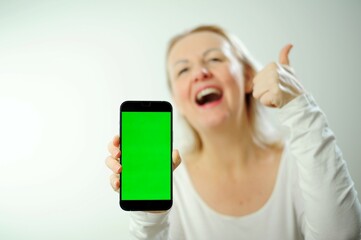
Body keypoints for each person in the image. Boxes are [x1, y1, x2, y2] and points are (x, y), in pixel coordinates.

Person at [105, 25, 361, 239]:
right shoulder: (171, 182)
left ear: (249, 74)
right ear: (176, 98)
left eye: (215, 59)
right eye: (183, 70)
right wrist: (148, 215)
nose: (200, 73)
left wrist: (300, 108)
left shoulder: (299, 162)